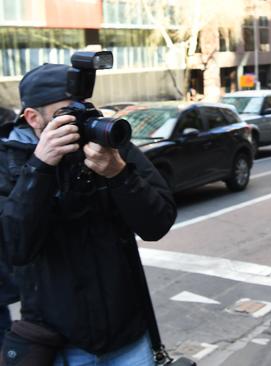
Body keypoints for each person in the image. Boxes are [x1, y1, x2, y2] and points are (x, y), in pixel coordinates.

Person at [0, 63, 177, 364]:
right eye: (66, 115)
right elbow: (14, 247)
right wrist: (41, 168)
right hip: (58, 346)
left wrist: (119, 174)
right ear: (32, 117)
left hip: (129, 339)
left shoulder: (111, 147)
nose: (80, 124)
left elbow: (157, 223)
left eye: (85, 111)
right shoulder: (10, 161)